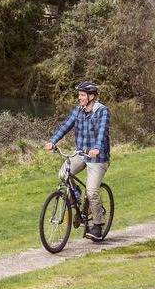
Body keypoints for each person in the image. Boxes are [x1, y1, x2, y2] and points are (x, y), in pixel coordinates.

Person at [44, 81, 110, 241]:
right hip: (80, 153)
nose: (79, 98)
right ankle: (77, 197)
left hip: (98, 157)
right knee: (63, 174)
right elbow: (65, 126)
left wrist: (96, 148)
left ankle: (97, 225)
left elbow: (102, 132)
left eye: (82, 95)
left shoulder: (102, 111)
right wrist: (53, 141)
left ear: (91, 96)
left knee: (92, 191)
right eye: (79, 95)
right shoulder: (78, 111)